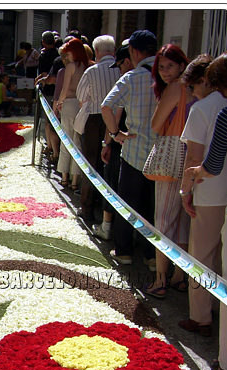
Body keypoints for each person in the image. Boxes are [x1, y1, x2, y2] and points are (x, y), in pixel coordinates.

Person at [182, 49, 227, 370]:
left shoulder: (221, 111)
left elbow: (209, 164)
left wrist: (189, 181)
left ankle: (206, 323)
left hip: (218, 195)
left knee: (207, 260)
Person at [101, 30, 158, 270]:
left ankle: (124, 251)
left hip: (134, 150)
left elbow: (107, 106)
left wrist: (115, 134)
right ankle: (153, 256)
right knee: (154, 208)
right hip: (163, 155)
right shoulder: (174, 77)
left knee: (128, 202)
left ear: (133, 51)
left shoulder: (132, 77)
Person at [143, 44, 196, 299]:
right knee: (183, 220)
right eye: (161, 67)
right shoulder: (196, 88)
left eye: (170, 66)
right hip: (192, 153)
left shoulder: (175, 88)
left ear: (182, 65)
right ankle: (179, 277)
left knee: (163, 220)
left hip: (171, 154)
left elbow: (155, 124)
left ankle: (160, 279)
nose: (165, 72)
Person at [75, 34, 121, 220]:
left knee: (91, 163)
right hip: (117, 121)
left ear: (97, 52)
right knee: (110, 167)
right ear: (113, 51)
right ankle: (108, 213)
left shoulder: (92, 71)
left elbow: (81, 96)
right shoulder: (122, 71)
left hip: (95, 119)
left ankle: (87, 208)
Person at [93, 43, 134, 240]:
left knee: (112, 184)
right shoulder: (153, 80)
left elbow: (112, 111)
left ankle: (108, 227)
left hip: (122, 142)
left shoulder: (129, 81)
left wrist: (108, 141)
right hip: (141, 144)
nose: (119, 70)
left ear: (127, 61)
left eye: (120, 65)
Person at [53, 38, 88, 190]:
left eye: (68, 53)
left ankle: (65, 177)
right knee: (77, 143)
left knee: (66, 141)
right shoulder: (88, 66)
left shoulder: (71, 67)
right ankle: (75, 180)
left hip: (69, 105)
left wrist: (59, 103)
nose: (66, 57)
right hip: (82, 106)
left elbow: (65, 89)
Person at [35, 31, 60, 159]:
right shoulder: (59, 54)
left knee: (49, 122)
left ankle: (50, 147)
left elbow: (45, 74)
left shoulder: (44, 56)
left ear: (43, 42)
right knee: (55, 122)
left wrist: (39, 80)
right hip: (60, 92)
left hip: (49, 92)